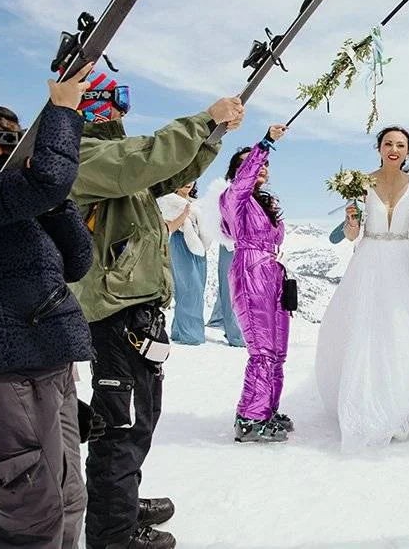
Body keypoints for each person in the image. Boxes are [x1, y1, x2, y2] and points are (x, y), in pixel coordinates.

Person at [70, 68, 243, 549]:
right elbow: (143, 160)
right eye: (116, 98)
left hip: (137, 312)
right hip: (113, 316)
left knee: (140, 416)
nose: (124, 107)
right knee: (119, 425)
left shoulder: (115, 159)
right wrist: (202, 118)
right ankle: (113, 531)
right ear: (94, 104)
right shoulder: (84, 154)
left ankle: (120, 497)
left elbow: (169, 171)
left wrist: (211, 135)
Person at [0, 67, 98, 548]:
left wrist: (55, 208)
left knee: (70, 501)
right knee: (32, 524)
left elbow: (77, 261)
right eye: (16, 145)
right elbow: (48, 179)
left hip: (49, 365)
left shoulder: (14, 203)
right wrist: (62, 111)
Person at [316, 126, 409, 451]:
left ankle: (406, 402)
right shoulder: (362, 182)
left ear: (408, 150)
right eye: (388, 144)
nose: (394, 149)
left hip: (403, 258)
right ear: (379, 148)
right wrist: (352, 220)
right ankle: (368, 403)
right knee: (368, 331)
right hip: (368, 259)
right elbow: (353, 235)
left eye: (400, 145)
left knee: (404, 332)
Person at [219, 125, 294, 443]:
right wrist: (264, 144)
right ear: (239, 172)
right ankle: (250, 417)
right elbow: (243, 180)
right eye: (252, 163)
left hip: (272, 272)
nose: (260, 166)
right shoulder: (234, 198)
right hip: (250, 272)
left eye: (264, 163)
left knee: (277, 351)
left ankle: (267, 410)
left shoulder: (263, 202)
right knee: (262, 349)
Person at [157, 182, 213, 345]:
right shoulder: (168, 200)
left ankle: (180, 331)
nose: (189, 183)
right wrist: (185, 214)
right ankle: (190, 335)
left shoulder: (197, 202)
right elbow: (168, 226)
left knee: (198, 287)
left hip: (199, 247)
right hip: (180, 242)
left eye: (193, 179)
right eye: (185, 179)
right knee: (189, 288)